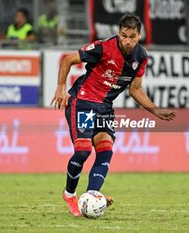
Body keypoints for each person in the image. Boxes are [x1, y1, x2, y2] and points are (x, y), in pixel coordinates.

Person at [51, 14, 176, 217]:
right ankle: (69, 193)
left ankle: (92, 194)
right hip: (83, 102)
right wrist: (60, 88)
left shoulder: (141, 56)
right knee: (83, 151)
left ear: (139, 36)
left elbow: (135, 90)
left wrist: (155, 110)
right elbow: (68, 60)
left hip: (105, 108)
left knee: (105, 149)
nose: (127, 41)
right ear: (119, 33)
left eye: (132, 37)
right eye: (124, 36)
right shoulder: (103, 47)